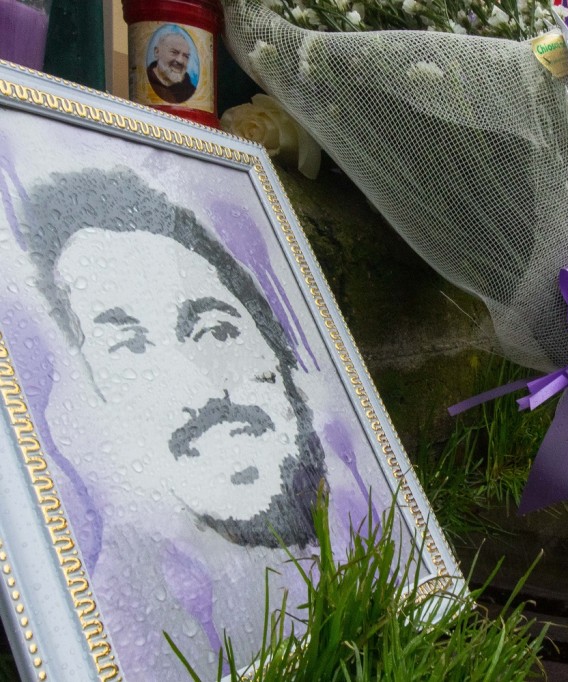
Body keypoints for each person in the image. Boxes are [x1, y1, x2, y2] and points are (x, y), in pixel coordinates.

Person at [21, 167, 368, 680]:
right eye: (129, 348)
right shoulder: (114, 624)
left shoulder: (366, 513)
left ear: (274, 344)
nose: (196, 385)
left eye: (213, 329)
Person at [147, 29, 197, 103]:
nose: (180, 60)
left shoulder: (190, 90)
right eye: (174, 52)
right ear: (157, 52)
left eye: (185, 56)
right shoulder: (144, 82)